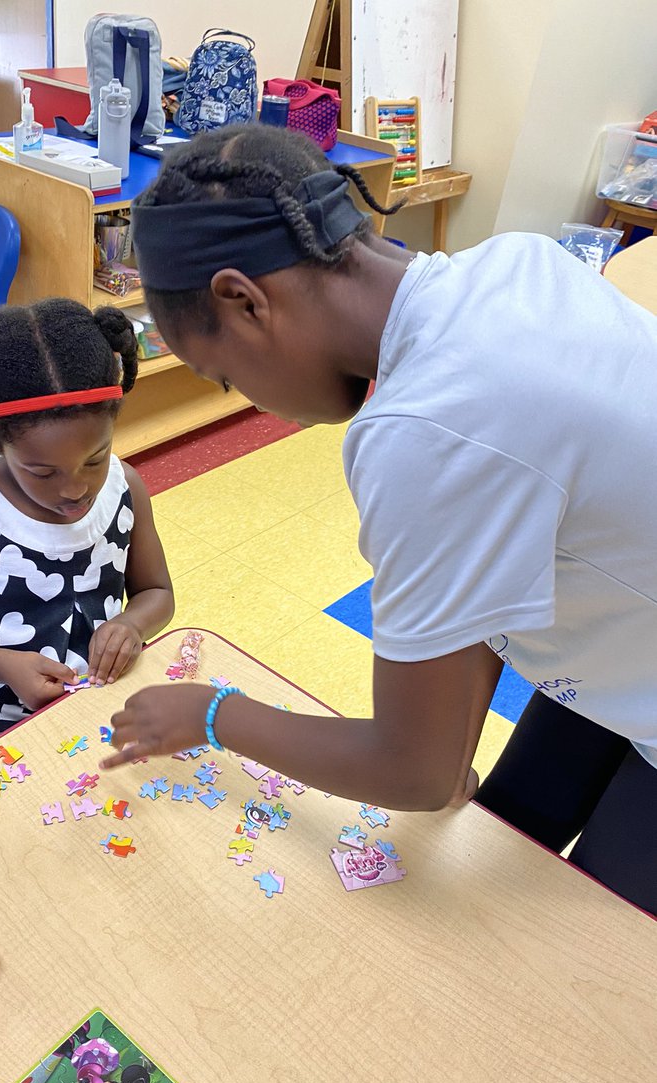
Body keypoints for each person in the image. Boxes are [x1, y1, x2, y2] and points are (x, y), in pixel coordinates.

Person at [101, 123, 657, 915]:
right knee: (508, 833)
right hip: (623, 633)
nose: (255, 403)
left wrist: (214, 714)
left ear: (243, 299)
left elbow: (414, 777)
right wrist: (445, 746)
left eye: (224, 376)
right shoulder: (514, 263)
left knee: (597, 958)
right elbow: (492, 584)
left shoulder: (423, 433)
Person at [0, 299, 174, 762]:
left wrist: (131, 622)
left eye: (95, 458)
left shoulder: (127, 488)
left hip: (104, 701)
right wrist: (4, 665)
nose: (76, 489)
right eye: (43, 473)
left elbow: (158, 593)